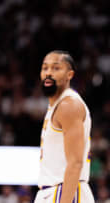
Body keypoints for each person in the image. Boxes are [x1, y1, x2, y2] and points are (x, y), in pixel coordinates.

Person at [34, 50, 94, 203]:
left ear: (70, 75)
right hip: (52, 191)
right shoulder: (56, 105)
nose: (48, 73)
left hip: (64, 192)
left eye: (56, 68)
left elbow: (75, 163)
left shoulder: (69, 105)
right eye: (45, 68)